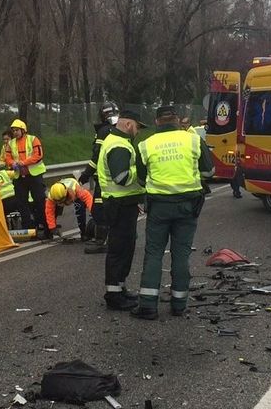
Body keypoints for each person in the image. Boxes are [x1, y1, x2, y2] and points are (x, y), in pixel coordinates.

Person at [131, 105, 214, 319]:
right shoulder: (193, 139)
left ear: (157, 121)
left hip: (159, 207)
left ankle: (148, 306)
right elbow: (208, 170)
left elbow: (141, 178)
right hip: (188, 206)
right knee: (181, 254)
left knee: (154, 254)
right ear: (178, 120)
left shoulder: (146, 144)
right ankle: (179, 304)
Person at [97, 109, 147, 311]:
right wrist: (142, 168)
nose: (138, 131)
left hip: (119, 203)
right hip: (119, 205)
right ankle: (114, 296)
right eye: (137, 127)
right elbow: (122, 178)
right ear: (128, 124)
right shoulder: (119, 145)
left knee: (124, 249)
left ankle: (119, 288)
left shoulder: (116, 141)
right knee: (120, 250)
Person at [78, 102, 120, 254]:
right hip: (116, 176)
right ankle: (115, 238)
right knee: (114, 208)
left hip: (104, 178)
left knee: (99, 210)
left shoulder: (103, 131)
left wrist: (85, 175)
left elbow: (97, 157)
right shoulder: (119, 129)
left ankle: (102, 242)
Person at [4, 119, 49, 237]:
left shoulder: (33, 139)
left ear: (23, 130)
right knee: (21, 203)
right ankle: (28, 229)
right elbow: (7, 157)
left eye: (17, 130)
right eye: (13, 131)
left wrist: (24, 163)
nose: (15, 132)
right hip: (19, 177)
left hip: (34, 175)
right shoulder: (11, 143)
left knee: (39, 201)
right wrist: (12, 163)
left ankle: (45, 227)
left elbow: (38, 155)